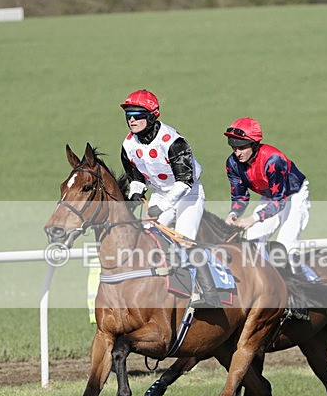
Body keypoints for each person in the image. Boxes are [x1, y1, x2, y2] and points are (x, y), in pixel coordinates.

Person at [119, 89, 221, 308]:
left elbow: (185, 181)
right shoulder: (128, 145)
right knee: (146, 237)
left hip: (189, 194)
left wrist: (162, 206)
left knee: (184, 240)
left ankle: (210, 295)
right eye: (128, 115)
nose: (131, 120)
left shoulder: (174, 142)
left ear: (152, 115)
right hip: (161, 193)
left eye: (137, 115)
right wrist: (135, 192)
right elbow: (135, 177)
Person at [223, 117, 311, 273]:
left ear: (254, 144)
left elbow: (280, 201)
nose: (237, 153)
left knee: (285, 247)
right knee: (252, 241)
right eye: (234, 148)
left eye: (242, 147)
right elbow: (240, 197)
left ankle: (308, 282)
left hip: (294, 194)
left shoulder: (273, 159)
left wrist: (253, 218)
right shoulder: (232, 164)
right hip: (271, 196)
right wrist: (233, 214)